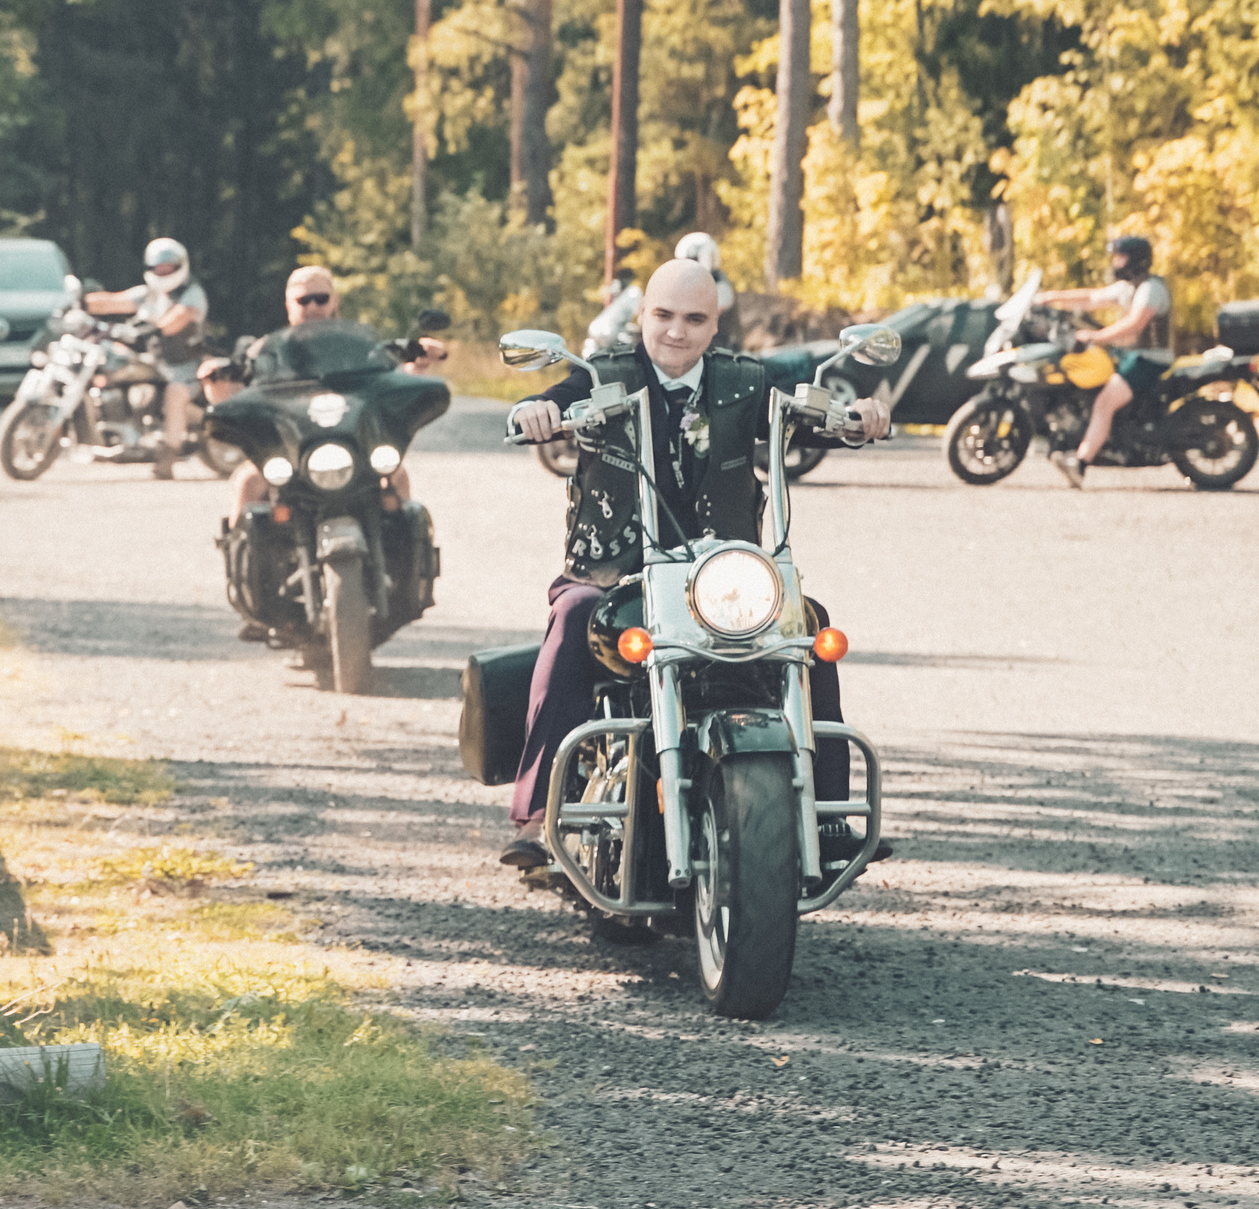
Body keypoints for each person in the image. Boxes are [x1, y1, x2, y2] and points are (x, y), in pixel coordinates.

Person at [498, 260, 891, 869]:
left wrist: (858, 420)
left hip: (722, 579)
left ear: (715, 326)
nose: (676, 332)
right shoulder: (604, 376)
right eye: (663, 316)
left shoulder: (745, 382)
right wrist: (535, 410)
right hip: (615, 575)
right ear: (642, 316)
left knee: (808, 627)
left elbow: (808, 419)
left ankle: (827, 812)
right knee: (572, 617)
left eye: (694, 319)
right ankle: (535, 815)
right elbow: (555, 397)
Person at [208, 265, 445, 522]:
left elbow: (394, 379)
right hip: (289, 454)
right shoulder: (265, 351)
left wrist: (419, 361)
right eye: (303, 300)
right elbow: (230, 399)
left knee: (397, 476)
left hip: (355, 448)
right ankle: (240, 555)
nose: (312, 307)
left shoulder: (360, 347)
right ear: (288, 305)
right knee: (248, 481)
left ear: (334, 301)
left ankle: (410, 553)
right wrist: (214, 377)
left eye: (320, 299)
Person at [1034, 235, 1172, 488]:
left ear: (1136, 261)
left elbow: (1134, 325)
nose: (1116, 263)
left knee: (1105, 402)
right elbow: (1091, 298)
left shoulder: (1151, 289)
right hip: (1129, 356)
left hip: (1148, 361)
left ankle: (1081, 463)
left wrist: (1096, 337)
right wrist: (1051, 297)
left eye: (1121, 258)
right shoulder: (1129, 287)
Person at [85, 237, 209, 480]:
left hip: (186, 368)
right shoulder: (149, 294)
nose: (162, 272)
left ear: (179, 266)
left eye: (168, 267)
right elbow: (111, 301)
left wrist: (148, 328)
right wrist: (79, 301)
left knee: (175, 393)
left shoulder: (192, 295)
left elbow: (174, 321)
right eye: (157, 267)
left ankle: (166, 458)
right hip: (155, 363)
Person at [674, 231, 740, 347]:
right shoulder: (689, 285)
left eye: (693, 260)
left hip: (722, 351)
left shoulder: (721, 285)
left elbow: (703, 316)